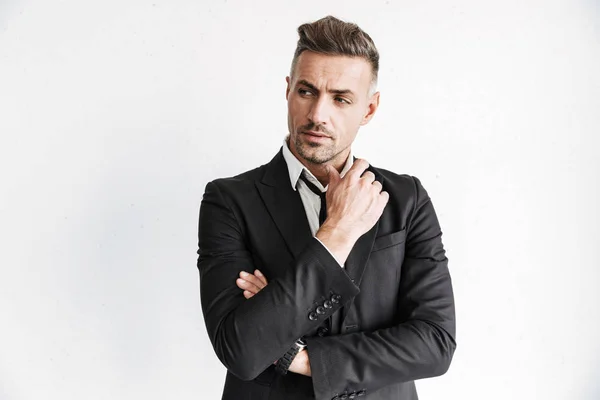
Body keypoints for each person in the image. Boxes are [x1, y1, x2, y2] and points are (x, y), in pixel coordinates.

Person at [197, 15, 456, 400]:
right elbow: (243, 349)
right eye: (306, 91)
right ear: (288, 91)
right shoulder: (229, 200)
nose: (318, 114)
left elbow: (435, 343)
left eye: (340, 98)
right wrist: (337, 234)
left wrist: (297, 355)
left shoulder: (406, 199)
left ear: (368, 109)